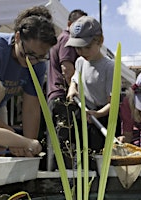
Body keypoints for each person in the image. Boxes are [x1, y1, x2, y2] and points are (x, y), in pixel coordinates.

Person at [0, 6, 57, 156]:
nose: (33, 61)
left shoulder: (37, 63)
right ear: (17, 37)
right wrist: (17, 139)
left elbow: (31, 108)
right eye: (28, 54)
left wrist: (28, 147)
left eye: (40, 57)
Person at [65, 16, 121, 169]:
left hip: (102, 117)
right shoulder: (80, 62)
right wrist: (72, 87)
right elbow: (75, 79)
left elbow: (113, 103)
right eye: (78, 48)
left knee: (99, 160)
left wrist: (98, 114)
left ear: (100, 40)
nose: (82, 52)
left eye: (87, 47)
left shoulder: (110, 67)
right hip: (84, 114)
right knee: (82, 156)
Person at [47, 9, 87, 170]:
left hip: (54, 95)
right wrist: (77, 91)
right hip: (63, 96)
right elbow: (67, 69)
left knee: (56, 144)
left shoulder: (60, 39)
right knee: (65, 145)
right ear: (70, 25)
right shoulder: (68, 39)